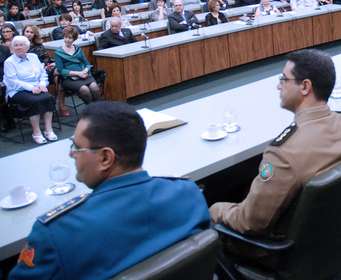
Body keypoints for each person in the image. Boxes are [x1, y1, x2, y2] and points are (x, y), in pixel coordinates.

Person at [9, 102, 210, 279]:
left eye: (77, 147)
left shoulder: (55, 234)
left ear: (106, 158)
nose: (72, 155)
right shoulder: (189, 193)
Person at [210, 50, 341, 242]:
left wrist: (213, 210)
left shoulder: (283, 154)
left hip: (282, 249)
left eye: (284, 79)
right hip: (334, 236)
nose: (278, 86)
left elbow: (250, 222)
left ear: (305, 87)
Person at [3, 35, 57, 144]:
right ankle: (36, 132)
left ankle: (48, 130)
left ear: (27, 47)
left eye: (21, 45)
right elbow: (13, 81)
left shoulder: (33, 57)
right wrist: (31, 88)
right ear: (13, 47)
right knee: (34, 100)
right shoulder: (9, 62)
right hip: (17, 91)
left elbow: (42, 73)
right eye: (16, 45)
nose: (18, 47)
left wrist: (42, 84)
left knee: (47, 97)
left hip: (37, 87)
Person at [55, 26, 101, 106]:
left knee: (94, 87)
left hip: (84, 74)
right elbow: (61, 70)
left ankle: (100, 108)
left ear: (74, 39)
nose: (67, 40)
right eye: (65, 37)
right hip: (69, 78)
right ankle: (91, 109)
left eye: (70, 38)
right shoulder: (58, 52)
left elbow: (87, 64)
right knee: (84, 89)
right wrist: (78, 73)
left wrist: (85, 71)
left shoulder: (78, 49)